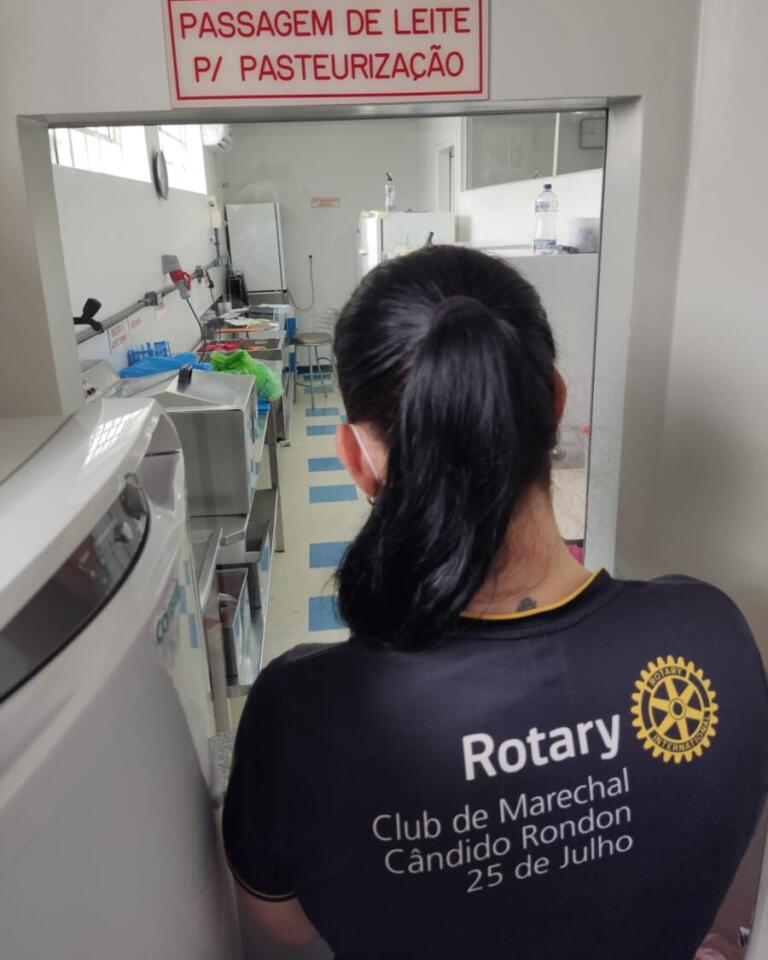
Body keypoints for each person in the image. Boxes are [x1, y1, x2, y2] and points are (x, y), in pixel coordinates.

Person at [223, 246, 768, 959]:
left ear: (354, 458)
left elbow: (289, 926)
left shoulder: (299, 715)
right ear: (556, 404)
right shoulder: (712, 638)